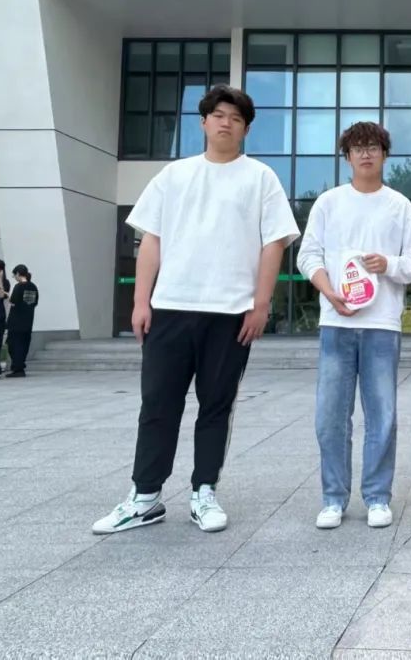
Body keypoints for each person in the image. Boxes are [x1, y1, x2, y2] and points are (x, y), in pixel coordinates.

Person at [92, 85, 299, 536]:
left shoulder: (260, 178)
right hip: (170, 308)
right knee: (157, 404)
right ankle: (145, 496)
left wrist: (260, 304)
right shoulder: (174, 175)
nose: (226, 123)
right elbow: (151, 239)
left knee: (216, 406)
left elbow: (274, 244)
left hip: (231, 314)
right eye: (219, 115)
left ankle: (204, 491)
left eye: (236, 119)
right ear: (203, 122)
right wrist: (141, 301)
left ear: (245, 130)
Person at [298, 121, 411, 530]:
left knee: (382, 415)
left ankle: (377, 497)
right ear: (347, 156)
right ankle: (333, 498)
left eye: (373, 147)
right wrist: (328, 290)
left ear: (385, 155)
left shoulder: (399, 206)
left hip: (382, 325)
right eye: (357, 148)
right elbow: (308, 255)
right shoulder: (329, 203)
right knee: (330, 417)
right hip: (336, 322)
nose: (366, 153)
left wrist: (388, 264)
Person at [5, 264, 39, 378]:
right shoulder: (33, 286)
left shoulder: (18, 286)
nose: (14, 277)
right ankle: (20, 366)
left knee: (13, 345)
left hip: (16, 321)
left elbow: (13, 301)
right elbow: (34, 302)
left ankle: (18, 368)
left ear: (18, 274)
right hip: (28, 320)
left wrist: (7, 296)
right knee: (24, 345)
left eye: (14, 275)